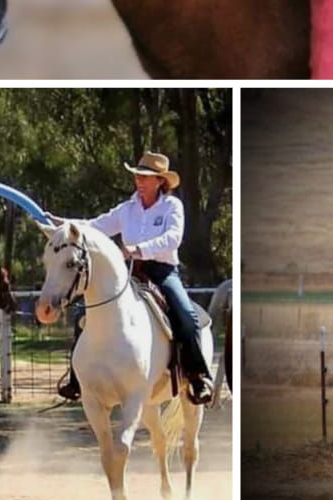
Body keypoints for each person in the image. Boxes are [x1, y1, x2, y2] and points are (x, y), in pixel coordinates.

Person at [52, 151, 214, 406]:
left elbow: (173, 238)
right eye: (138, 175)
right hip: (128, 273)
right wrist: (64, 222)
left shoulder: (173, 207)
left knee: (185, 316)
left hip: (162, 272)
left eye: (146, 177)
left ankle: (197, 377)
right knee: (85, 314)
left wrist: (138, 249)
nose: (139, 180)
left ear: (160, 181)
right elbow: (96, 225)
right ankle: (76, 380)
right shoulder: (127, 209)